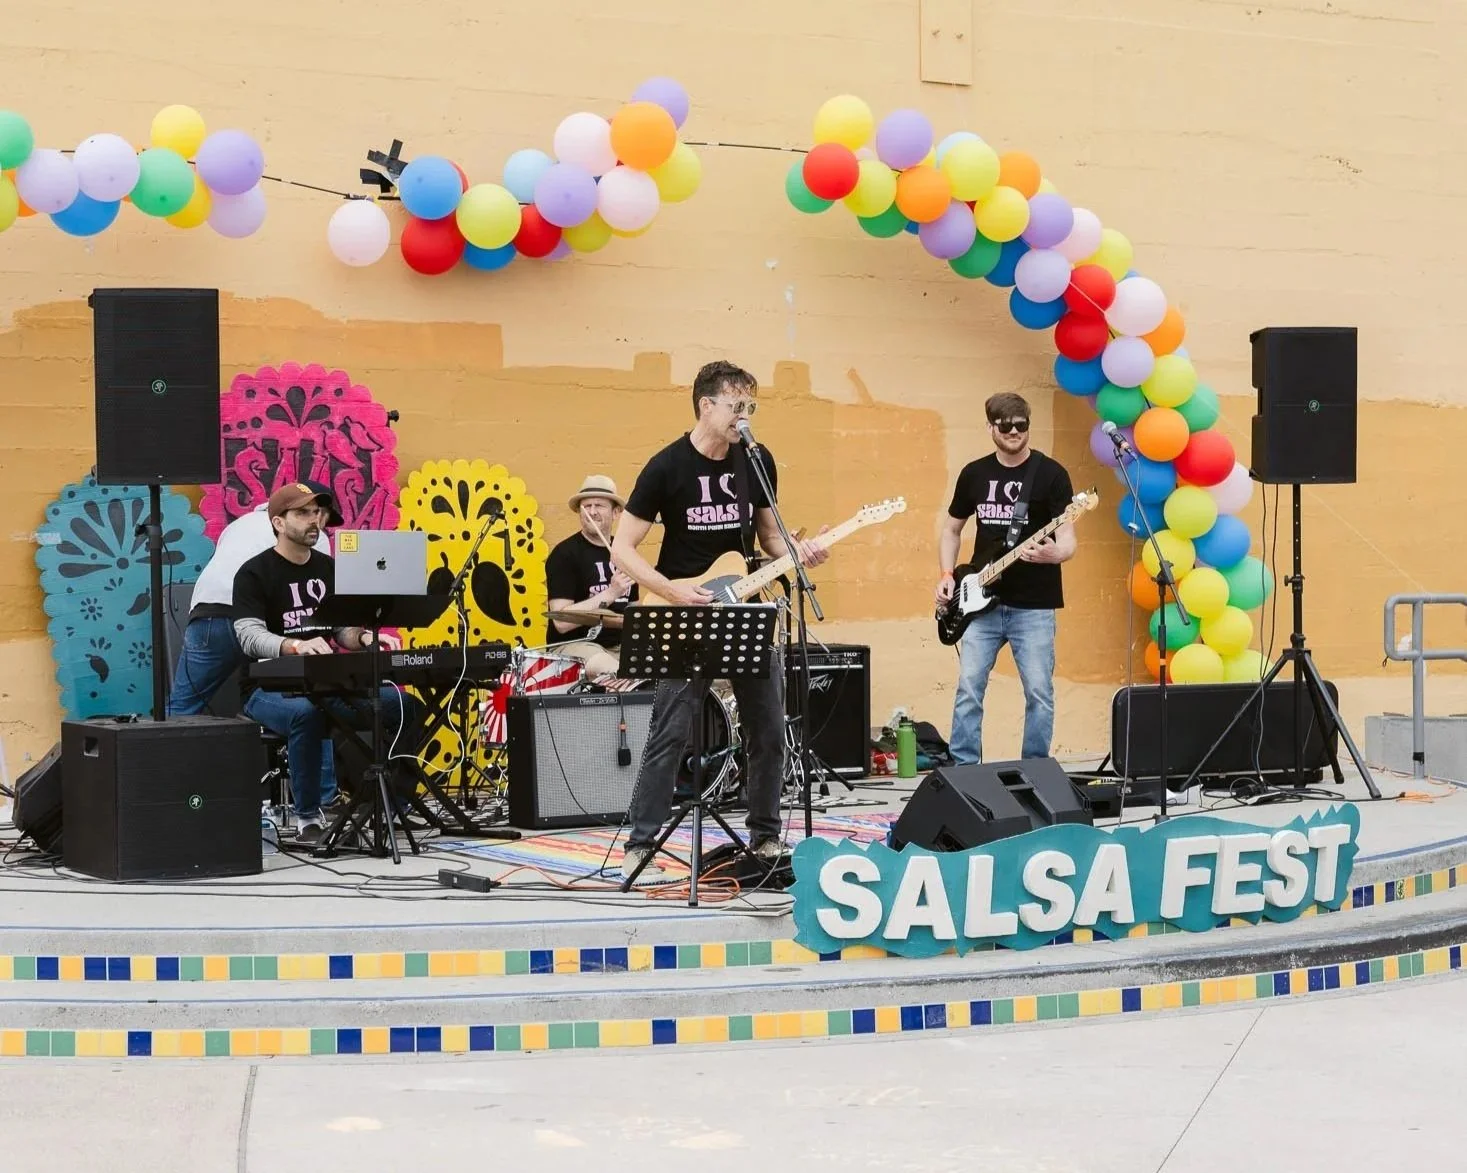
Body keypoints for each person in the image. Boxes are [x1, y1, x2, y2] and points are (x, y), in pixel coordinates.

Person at [611, 360, 829, 880]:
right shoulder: (667, 466)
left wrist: (800, 552)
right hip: (684, 612)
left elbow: (771, 537)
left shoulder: (756, 459)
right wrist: (669, 590)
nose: (745, 417)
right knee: (671, 727)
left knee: (769, 724)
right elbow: (623, 547)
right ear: (706, 406)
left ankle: (767, 835)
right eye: (737, 407)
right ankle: (641, 844)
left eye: (751, 407)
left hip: (745, 608)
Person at [232, 483, 422, 843]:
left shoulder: (328, 568)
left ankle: (393, 804)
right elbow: (248, 635)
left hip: (328, 684)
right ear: (278, 522)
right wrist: (292, 646)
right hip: (267, 690)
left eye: (317, 512)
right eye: (302, 513)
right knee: (307, 713)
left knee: (404, 705)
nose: (314, 520)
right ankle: (308, 818)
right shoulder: (254, 573)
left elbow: (341, 629)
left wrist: (365, 638)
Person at [168, 481, 341, 811]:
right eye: (313, 513)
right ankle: (325, 797)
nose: (318, 521)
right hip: (258, 620)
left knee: (183, 707)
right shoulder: (312, 540)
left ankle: (174, 791)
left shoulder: (240, 524)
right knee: (316, 695)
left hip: (207, 615)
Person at [937, 392, 1076, 766]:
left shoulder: (1051, 474)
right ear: (990, 427)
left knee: (1039, 693)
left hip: (1034, 606)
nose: (1014, 431)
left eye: (1021, 425)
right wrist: (948, 575)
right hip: (978, 603)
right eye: (1006, 425)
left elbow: (1068, 542)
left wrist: (1054, 554)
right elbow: (951, 531)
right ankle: (964, 771)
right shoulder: (974, 474)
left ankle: (1035, 770)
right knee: (969, 689)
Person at [544, 475, 637, 677]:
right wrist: (610, 593)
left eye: (599, 506)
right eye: (586, 506)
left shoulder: (625, 553)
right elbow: (561, 622)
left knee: (663, 669)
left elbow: (631, 612)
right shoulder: (564, 555)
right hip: (573, 645)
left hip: (619, 646)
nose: (592, 512)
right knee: (613, 669)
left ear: (615, 512)